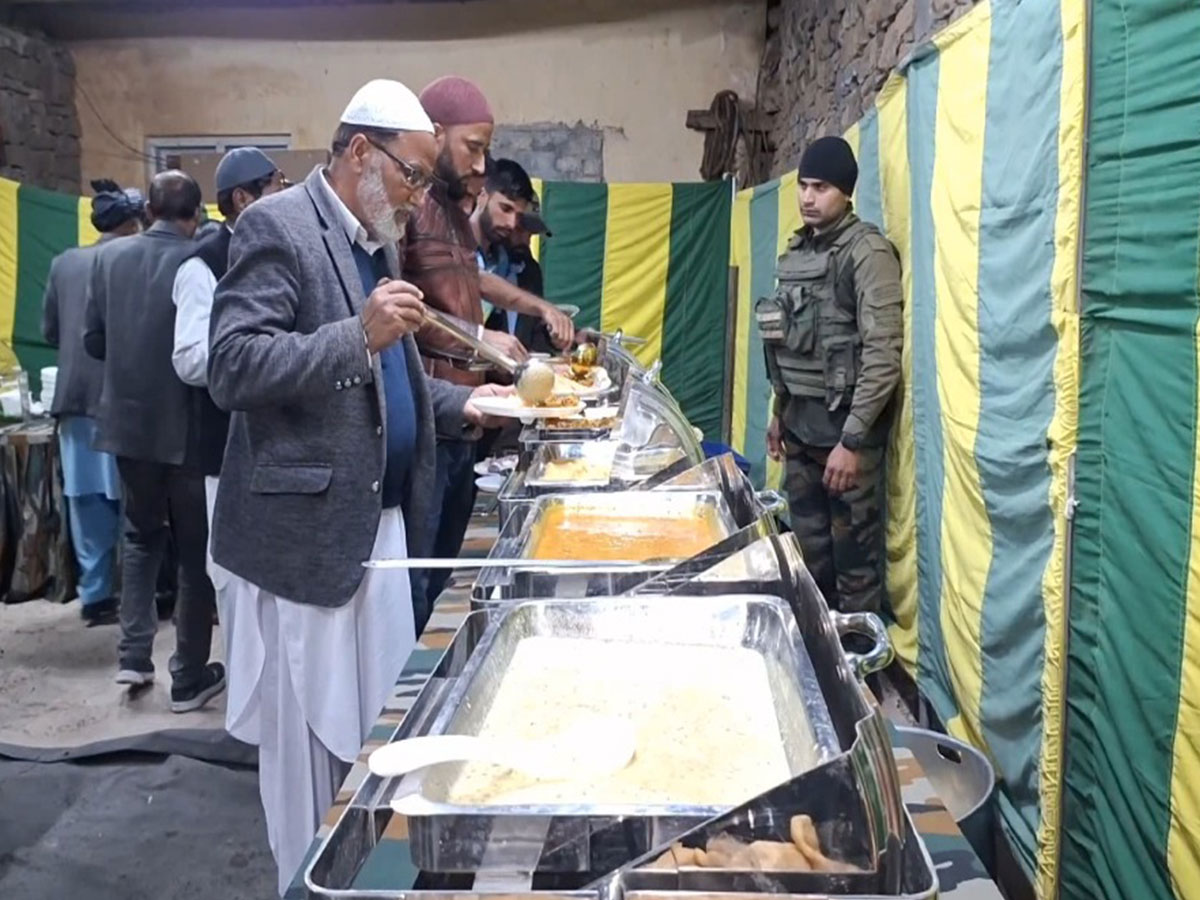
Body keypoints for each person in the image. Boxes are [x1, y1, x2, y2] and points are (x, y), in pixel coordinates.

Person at [206, 78, 508, 895]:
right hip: (307, 543)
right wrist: (356, 333)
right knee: (308, 758)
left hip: (375, 533)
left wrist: (470, 402)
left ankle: (354, 874)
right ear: (359, 155)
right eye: (411, 175)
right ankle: (305, 883)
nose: (418, 197)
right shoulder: (277, 227)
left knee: (368, 743)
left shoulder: (372, 239)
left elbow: (396, 381)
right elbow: (233, 367)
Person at [407, 77, 574, 627]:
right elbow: (404, 317)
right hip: (429, 422)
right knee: (418, 580)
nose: (482, 164)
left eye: (484, 150)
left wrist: (508, 331)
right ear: (433, 136)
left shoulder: (454, 216)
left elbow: (469, 288)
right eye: (473, 148)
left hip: (464, 416)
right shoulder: (414, 209)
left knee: (444, 573)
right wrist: (478, 339)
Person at [83, 170, 226, 711]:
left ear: (148, 212)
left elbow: (93, 340)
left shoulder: (108, 258)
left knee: (140, 538)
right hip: (186, 429)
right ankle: (188, 675)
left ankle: (132, 656)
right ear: (195, 216)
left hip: (126, 425)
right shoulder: (198, 263)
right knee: (194, 555)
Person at [758, 136, 902, 615]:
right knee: (809, 561)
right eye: (802, 186)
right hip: (799, 432)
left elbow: (883, 354)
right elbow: (788, 339)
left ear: (845, 192)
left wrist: (853, 440)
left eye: (820, 187)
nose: (806, 197)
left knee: (855, 572)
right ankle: (818, 666)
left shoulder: (866, 253)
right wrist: (779, 411)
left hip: (844, 441)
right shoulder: (798, 252)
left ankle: (861, 677)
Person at [171, 147, 285, 547]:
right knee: (234, 571)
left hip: (279, 444)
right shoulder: (201, 265)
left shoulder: (277, 251)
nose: (285, 196)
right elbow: (188, 358)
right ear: (242, 198)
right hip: (226, 444)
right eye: (276, 186)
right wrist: (252, 359)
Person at [40, 180, 142, 627]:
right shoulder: (135, 259)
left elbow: (50, 331)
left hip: (76, 398)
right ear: (134, 222)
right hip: (125, 399)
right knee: (136, 500)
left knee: (86, 500)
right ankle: (144, 594)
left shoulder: (64, 264)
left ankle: (96, 595)